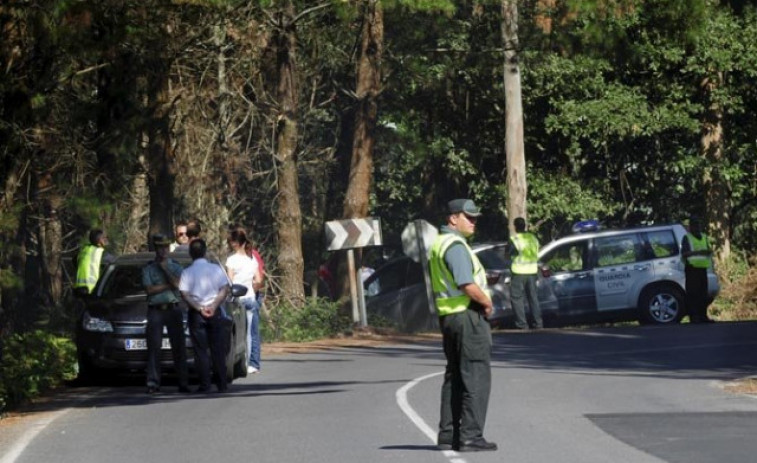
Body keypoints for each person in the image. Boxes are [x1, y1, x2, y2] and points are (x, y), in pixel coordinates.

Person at [429, 198, 497, 452]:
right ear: (453, 218)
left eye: (475, 217)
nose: (473, 222)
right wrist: (486, 303)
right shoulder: (455, 245)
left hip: (449, 318)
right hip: (467, 316)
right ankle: (470, 436)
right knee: (476, 375)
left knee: (455, 376)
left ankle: (448, 434)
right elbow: (466, 284)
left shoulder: (440, 242)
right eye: (468, 217)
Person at [179, 239, 232, 392]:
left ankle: (205, 384)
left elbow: (184, 294)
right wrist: (214, 305)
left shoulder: (187, 272)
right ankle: (221, 384)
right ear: (205, 251)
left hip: (197, 313)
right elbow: (224, 289)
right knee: (217, 348)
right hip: (214, 312)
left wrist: (199, 307)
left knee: (200, 350)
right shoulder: (215, 269)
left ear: (191, 254)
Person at [142, 234, 189, 394]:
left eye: (165, 247)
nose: (163, 250)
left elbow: (178, 284)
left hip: (173, 309)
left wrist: (165, 270)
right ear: (156, 249)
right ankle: (153, 383)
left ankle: (183, 382)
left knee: (179, 347)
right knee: (154, 347)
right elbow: (149, 289)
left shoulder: (175, 266)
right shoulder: (148, 268)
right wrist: (168, 285)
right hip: (156, 310)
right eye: (160, 247)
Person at [226, 227, 262, 375]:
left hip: (238, 300)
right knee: (253, 333)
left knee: (240, 332)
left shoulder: (231, 260)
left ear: (235, 243)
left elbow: (230, 281)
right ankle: (254, 364)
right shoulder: (251, 260)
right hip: (251, 298)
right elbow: (258, 280)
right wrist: (251, 287)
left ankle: (243, 362)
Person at [508, 217, 543, 330]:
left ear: (515, 226)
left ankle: (522, 325)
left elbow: (508, 255)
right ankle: (538, 324)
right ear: (525, 226)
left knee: (517, 298)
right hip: (532, 271)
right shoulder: (533, 238)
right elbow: (537, 252)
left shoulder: (515, 239)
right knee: (533, 298)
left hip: (518, 272)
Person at [681, 217, 714, 323]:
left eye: (698, 225)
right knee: (693, 294)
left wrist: (708, 251)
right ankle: (694, 317)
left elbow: (709, 250)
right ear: (690, 227)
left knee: (703, 294)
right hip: (692, 269)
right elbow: (684, 254)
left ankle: (703, 316)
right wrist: (698, 252)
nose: (697, 228)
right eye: (694, 226)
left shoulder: (704, 237)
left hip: (703, 269)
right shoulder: (687, 238)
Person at [74, 228, 115, 295]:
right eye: (104, 238)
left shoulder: (84, 250)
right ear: (99, 241)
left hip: (78, 290)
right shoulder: (100, 253)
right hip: (92, 290)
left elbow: (75, 261)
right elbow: (116, 262)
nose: (106, 240)